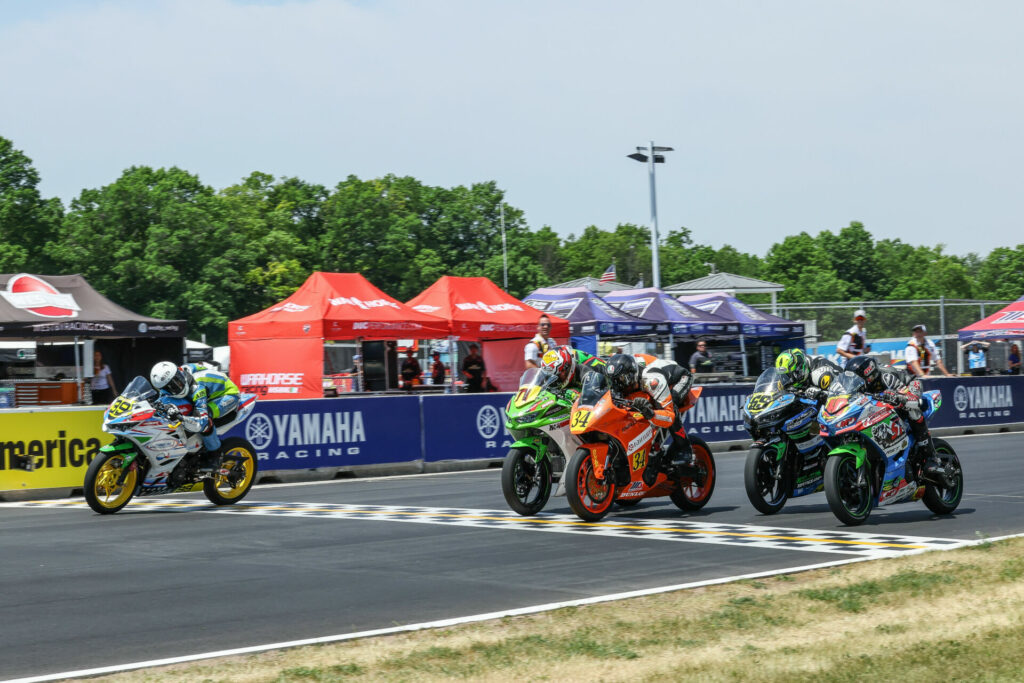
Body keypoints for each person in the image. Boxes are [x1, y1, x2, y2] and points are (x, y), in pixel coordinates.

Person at [845, 355, 946, 481]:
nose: (859, 383)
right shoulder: (858, 384)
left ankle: (930, 456)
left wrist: (896, 396)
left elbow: (904, 394)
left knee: (911, 408)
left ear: (871, 374)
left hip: (909, 386)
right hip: (883, 397)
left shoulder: (886, 377)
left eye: (862, 379)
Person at [605, 352, 694, 487]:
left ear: (630, 376)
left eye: (621, 381)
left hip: (678, 380)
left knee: (667, 406)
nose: (618, 386)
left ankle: (684, 447)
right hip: (645, 381)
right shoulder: (620, 373)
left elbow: (668, 416)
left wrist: (651, 414)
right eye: (615, 382)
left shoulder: (652, 380)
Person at [150, 361, 241, 473]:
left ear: (179, 372)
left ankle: (215, 454)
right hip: (208, 390)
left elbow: (201, 422)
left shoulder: (198, 387)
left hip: (227, 394)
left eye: (177, 381)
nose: (177, 387)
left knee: (206, 419)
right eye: (170, 387)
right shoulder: (177, 374)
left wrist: (181, 418)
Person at [774, 348, 843, 398]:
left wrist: (820, 393)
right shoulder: (783, 379)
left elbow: (838, 395)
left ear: (800, 369)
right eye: (785, 375)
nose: (788, 379)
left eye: (790, 375)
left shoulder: (820, 374)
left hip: (842, 386)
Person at [540, 345, 607, 393]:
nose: (555, 380)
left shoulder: (584, 370)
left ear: (566, 368)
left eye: (557, 375)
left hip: (606, 383)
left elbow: (592, 395)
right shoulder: (560, 364)